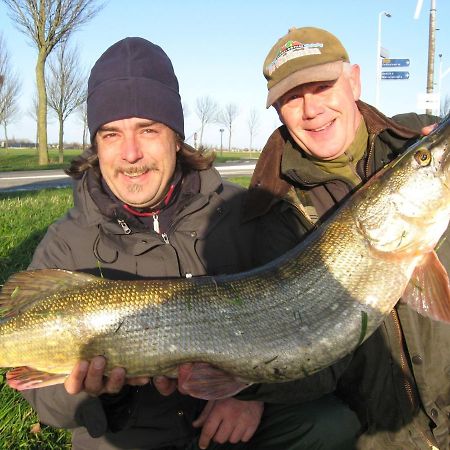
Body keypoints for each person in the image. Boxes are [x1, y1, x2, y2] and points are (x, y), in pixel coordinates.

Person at [19, 37, 359, 450]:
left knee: (330, 424)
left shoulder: (248, 212)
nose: (130, 153)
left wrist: (254, 396)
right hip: (131, 436)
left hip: (237, 430)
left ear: (177, 137)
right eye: (111, 135)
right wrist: (99, 392)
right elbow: (42, 401)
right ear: (96, 145)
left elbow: (313, 330)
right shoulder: (64, 243)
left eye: (148, 130)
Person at [239, 26, 450, 449]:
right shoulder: (270, 209)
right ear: (278, 109)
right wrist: (248, 390)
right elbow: (309, 362)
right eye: (292, 97)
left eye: (322, 86)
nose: (311, 108)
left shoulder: (415, 139)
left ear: (354, 80)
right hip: (381, 435)